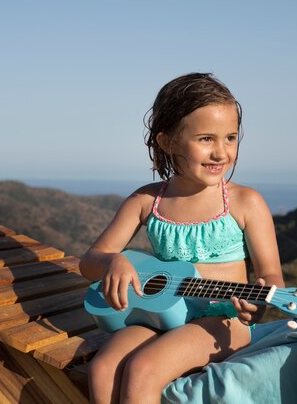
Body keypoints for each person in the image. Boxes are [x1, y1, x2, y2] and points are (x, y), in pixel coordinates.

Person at [79, 73, 284, 404]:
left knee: (143, 368)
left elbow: (272, 276)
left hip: (220, 321)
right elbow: (90, 261)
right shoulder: (147, 201)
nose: (221, 153)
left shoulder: (246, 203)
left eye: (230, 138)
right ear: (167, 142)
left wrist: (255, 304)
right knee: (103, 367)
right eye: (206, 139)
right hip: (156, 317)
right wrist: (111, 261)